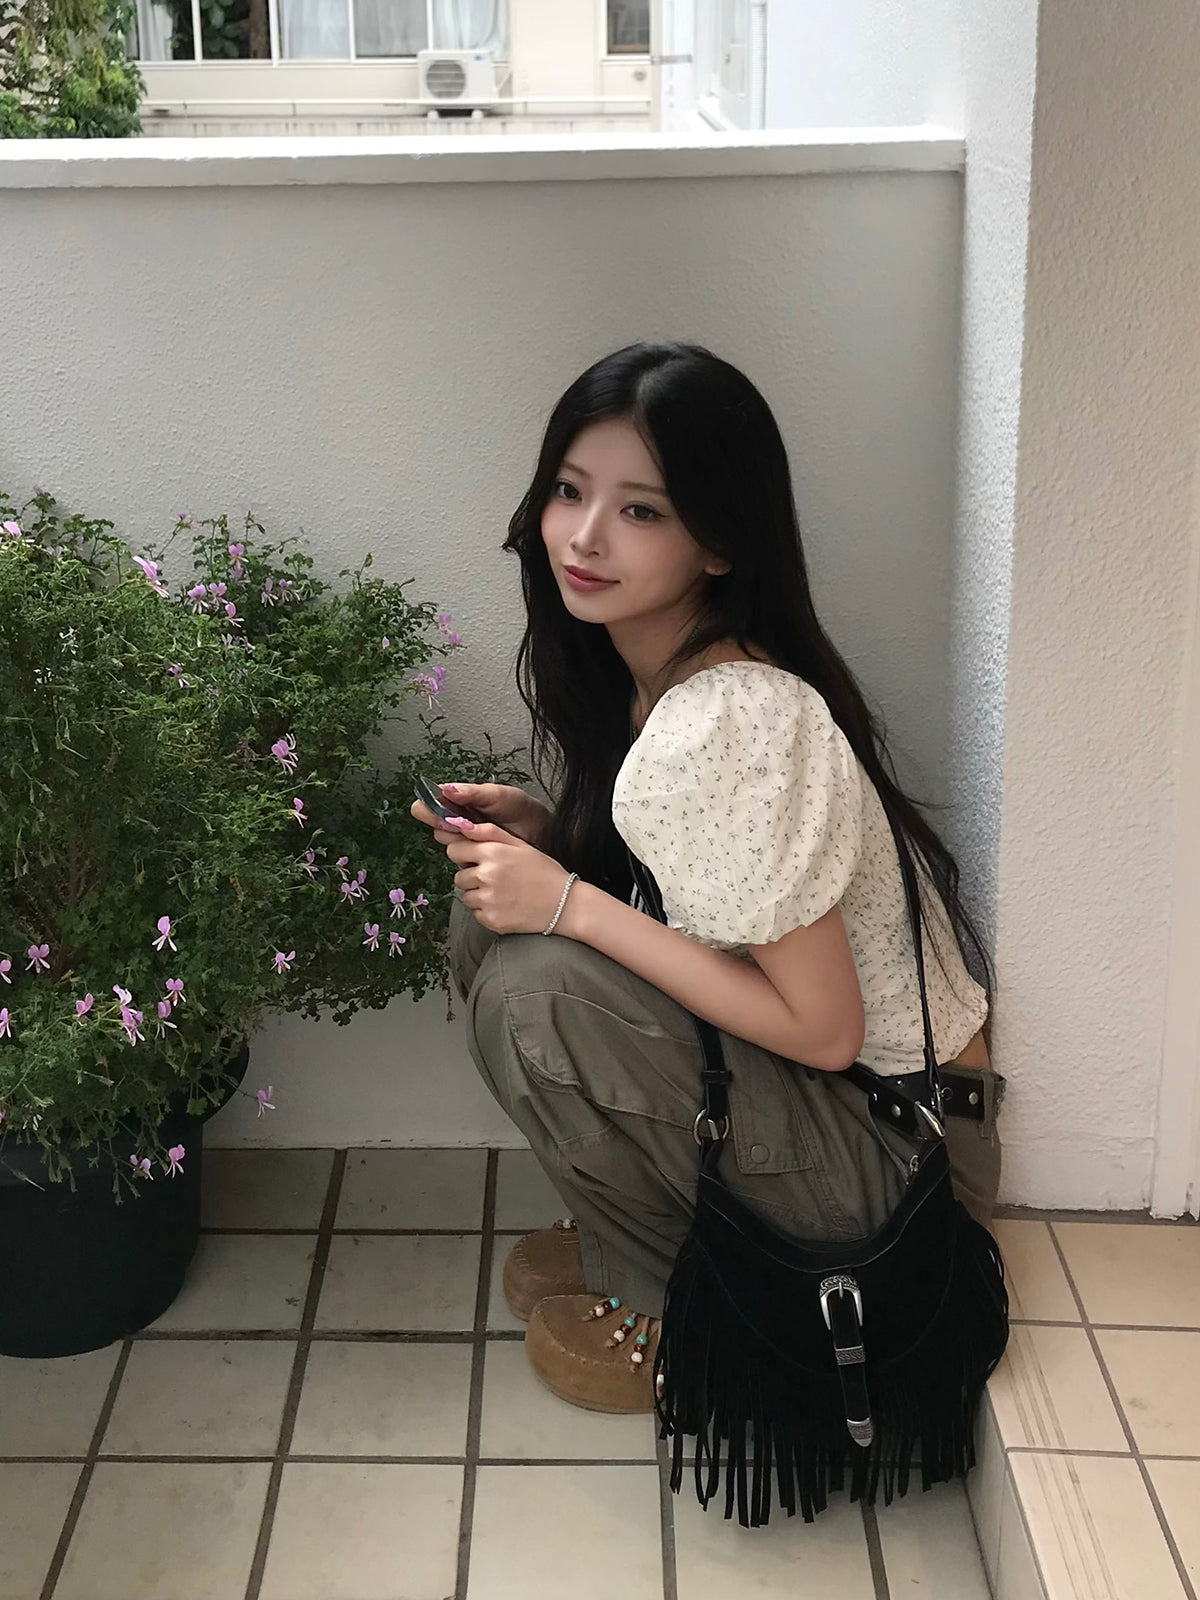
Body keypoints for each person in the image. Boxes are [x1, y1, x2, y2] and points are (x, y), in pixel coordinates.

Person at [410, 340, 1004, 1419]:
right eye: (570, 490)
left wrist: (570, 902)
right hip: (843, 1106)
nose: (584, 536)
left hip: (898, 1152)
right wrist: (555, 845)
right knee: (492, 921)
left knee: (535, 987)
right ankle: (634, 1221)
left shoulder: (728, 719)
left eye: (641, 510)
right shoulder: (661, 674)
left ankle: (677, 1303)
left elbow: (824, 1031)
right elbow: (703, 914)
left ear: (719, 542)